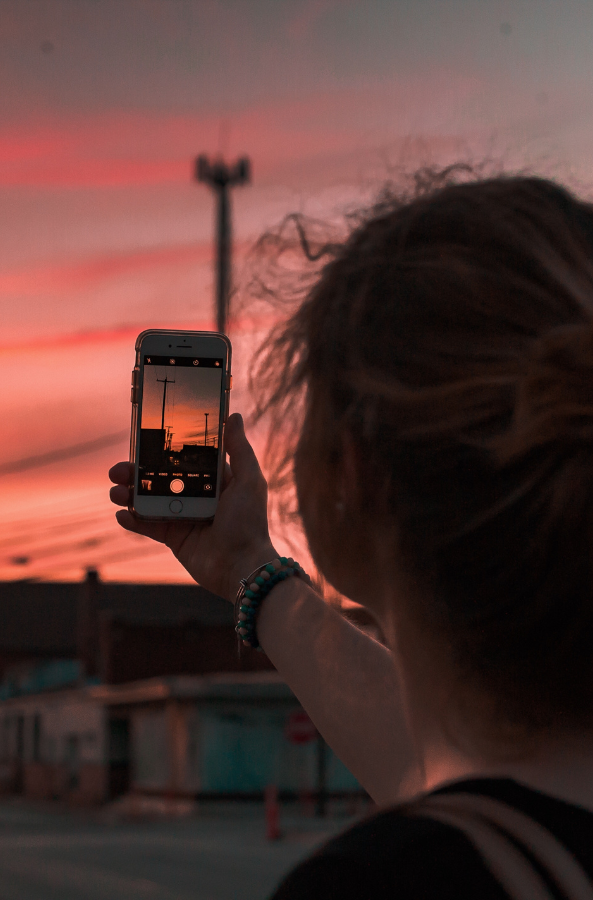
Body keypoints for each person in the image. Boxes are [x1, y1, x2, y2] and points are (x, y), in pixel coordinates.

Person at [109, 164, 593, 897]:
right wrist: (250, 569)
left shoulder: (388, 884)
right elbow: (427, 769)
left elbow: (446, 787)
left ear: (355, 474)